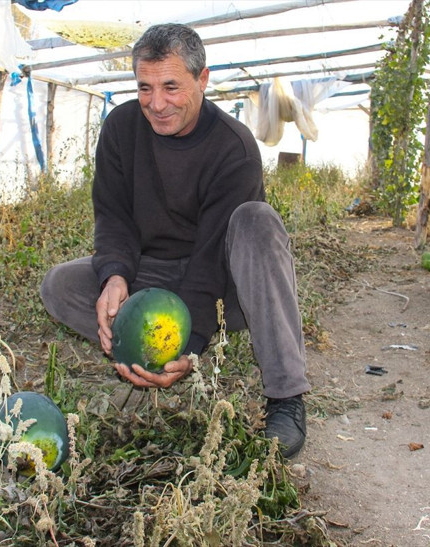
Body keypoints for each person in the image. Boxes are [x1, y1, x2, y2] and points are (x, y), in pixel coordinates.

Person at [40, 23, 310, 458]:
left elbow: (208, 261)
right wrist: (114, 277)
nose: (157, 104)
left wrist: (192, 341)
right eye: (145, 88)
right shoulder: (121, 129)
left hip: (227, 285)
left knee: (257, 221)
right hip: (154, 273)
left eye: (171, 86)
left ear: (202, 80)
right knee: (59, 285)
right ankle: (141, 342)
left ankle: (286, 396)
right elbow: (113, 218)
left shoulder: (234, 148)